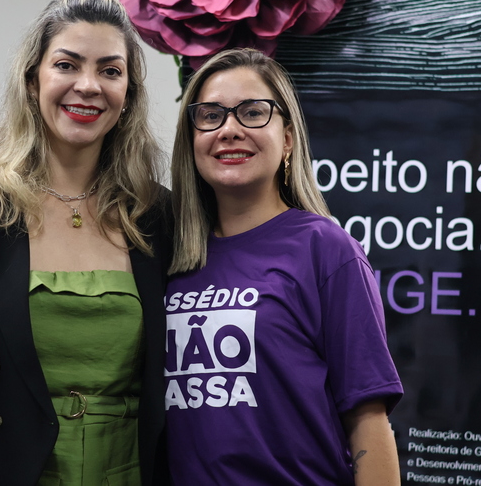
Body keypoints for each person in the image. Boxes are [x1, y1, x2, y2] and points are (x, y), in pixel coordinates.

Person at [0, 0, 171, 486]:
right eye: (67, 65)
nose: (88, 85)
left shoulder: (158, 215)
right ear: (31, 80)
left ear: (128, 96)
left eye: (110, 71)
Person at [165, 48, 403, 485]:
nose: (230, 129)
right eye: (210, 115)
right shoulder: (167, 255)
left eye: (253, 113)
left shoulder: (326, 249)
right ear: (192, 138)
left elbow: (368, 417)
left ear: (288, 138)